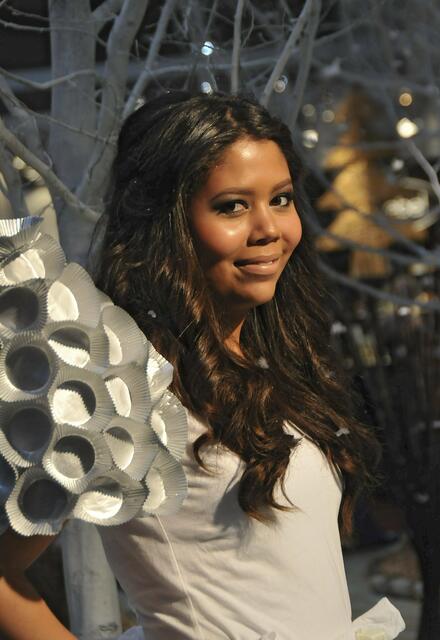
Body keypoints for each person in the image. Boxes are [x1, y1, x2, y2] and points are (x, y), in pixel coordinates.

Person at [0, 91, 403, 640]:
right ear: (166, 223)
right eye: (232, 206)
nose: (269, 228)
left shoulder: (268, 359)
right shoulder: (122, 384)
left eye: (281, 199)